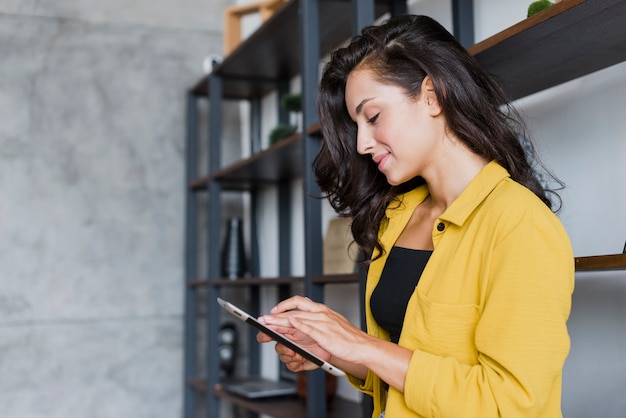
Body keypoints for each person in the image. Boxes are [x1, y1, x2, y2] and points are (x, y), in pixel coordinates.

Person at [257, 14, 574, 418]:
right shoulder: (396, 216)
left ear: (431, 96)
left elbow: (508, 403)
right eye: (356, 126)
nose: (361, 143)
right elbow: (404, 375)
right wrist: (333, 350)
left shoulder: (519, 225)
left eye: (372, 117)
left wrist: (361, 344)